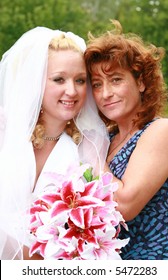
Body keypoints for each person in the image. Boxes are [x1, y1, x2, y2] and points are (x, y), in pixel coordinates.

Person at [0, 27, 109, 260]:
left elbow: (108, 206)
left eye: (80, 80)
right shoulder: (5, 127)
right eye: (59, 79)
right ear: (35, 82)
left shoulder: (89, 143)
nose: (72, 91)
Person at [84, 20, 168, 260]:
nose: (105, 93)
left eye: (116, 80)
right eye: (97, 84)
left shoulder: (162, 131)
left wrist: (89, 146)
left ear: (142, 82)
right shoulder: (108, 139)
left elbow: (124, 206)